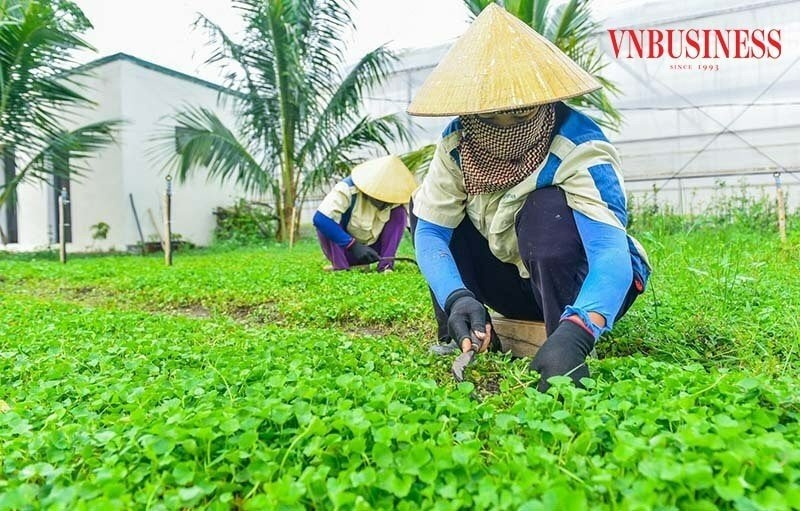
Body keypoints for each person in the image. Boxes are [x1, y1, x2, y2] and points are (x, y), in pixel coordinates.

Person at [407, 5, 651, 391]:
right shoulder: (457, 145)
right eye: (491, 116)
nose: (505, 127)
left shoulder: (580, 147)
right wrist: (457, 296)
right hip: (514, 283)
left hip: (581, 284)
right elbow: (432, 233)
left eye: (519, 114)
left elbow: (609, 253)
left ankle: (563, 337)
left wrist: (578, 332)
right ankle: (463, 328)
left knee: (545, 210)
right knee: (424, 208)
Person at [313, 155, 417, 272]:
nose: (385, 203)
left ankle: (386, 266)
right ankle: (341, 267)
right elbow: (320, 219)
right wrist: (352, 245)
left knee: (400, 213)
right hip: (345, 249)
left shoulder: (397, 200)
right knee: (329, 221)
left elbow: (414, 227)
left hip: (373, 252)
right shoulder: (346, 189)